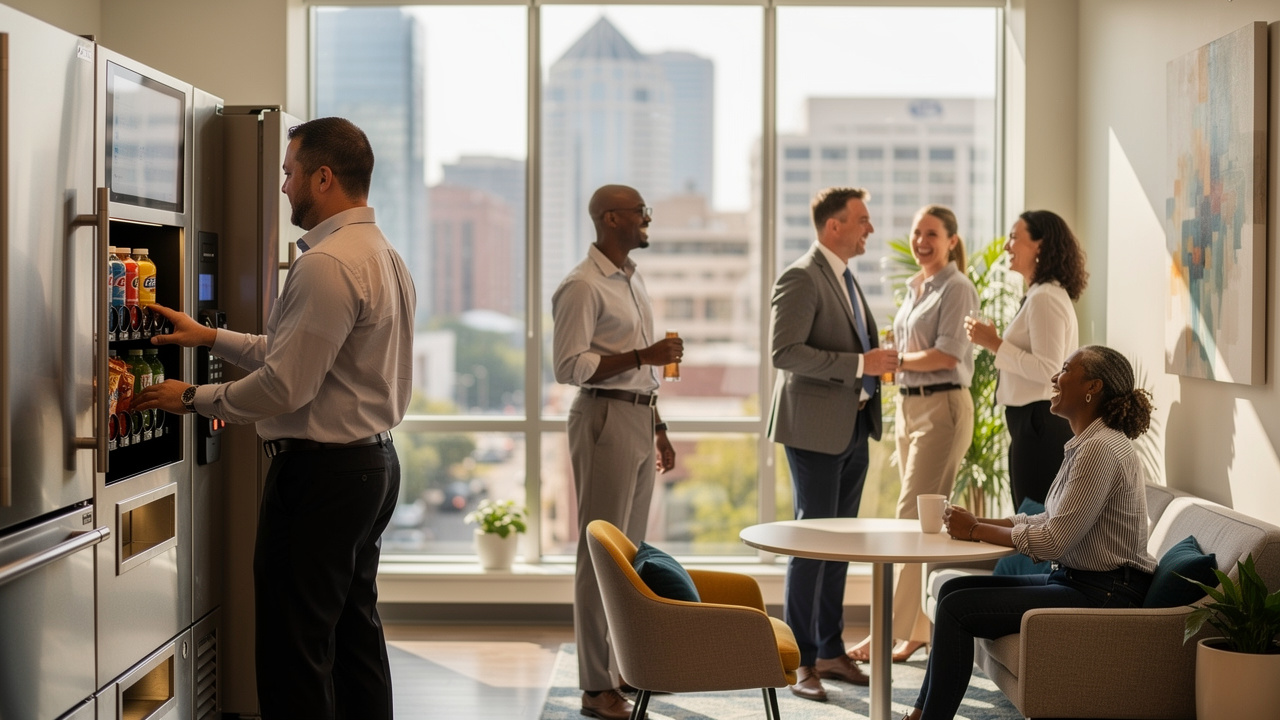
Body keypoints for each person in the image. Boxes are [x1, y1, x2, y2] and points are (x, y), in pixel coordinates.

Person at [133, 117, 415, 720]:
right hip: (371, 465)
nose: (283, 187)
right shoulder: (382, 255)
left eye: (289, 173)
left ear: (323, 176)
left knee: (295, 651)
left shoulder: (326, 264)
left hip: (321, 480)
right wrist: (210, 337)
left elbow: (286, 385)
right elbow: (298, 354)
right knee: (352, 637)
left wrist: (191, 399)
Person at [902, 345, 1156, 720]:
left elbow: (1054, 540)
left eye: (1067, 369)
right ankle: (921, 714)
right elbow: (1048, 520)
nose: (1055, 377)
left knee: (956, 608)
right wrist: (984, 524)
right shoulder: (1088, 445)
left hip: (1105, 594)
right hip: (1082, 583)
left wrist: (975, 530)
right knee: (951, 589)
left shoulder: (1100, 449)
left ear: (1093, 387)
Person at [551, 184, 681, 720]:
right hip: (602, 416)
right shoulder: (582, 286)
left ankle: (625, 667)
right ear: (611, 218)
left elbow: (643, 372)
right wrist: (641, 353)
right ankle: (595, 687)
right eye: (639, 212)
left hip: (636, 415)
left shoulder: (631, 279)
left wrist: (660, 426)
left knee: (629, 555)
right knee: (599, 555)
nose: (647, 219)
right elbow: (568, 366)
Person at [768, 186, 899, 702]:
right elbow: (785, 353)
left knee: (839, 546)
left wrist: (872, 362)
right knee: (811, 544)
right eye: (862, 220)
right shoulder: (801, 276)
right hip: (814, 432)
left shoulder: (846, 277)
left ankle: (829, 648)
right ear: (833, 226)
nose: (870, 228)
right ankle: (800, 661)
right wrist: (860, 365)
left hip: (854, 427)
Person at [848, 205, 978, 666]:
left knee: (909, 516)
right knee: (918, 523)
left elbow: (947, 354)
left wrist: (896, 360)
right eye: (917, 232)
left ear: (951, 241)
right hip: (909, 406)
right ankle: (916, 631)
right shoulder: (916, 287)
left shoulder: (957, 287)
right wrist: (898, 360)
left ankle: (889, 632)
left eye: (932, 234)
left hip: (942, 406)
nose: (922, 241)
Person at [966, 210, 1088, 509]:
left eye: (1013, 238)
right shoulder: (1040, 295)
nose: (1006, 246)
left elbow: (1049, 369)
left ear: (1040, 246)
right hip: (1033, 424)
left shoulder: (1045, 297)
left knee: (1033, 520)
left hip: (1039, 425)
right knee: (1031, 516)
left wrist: (995, 344)